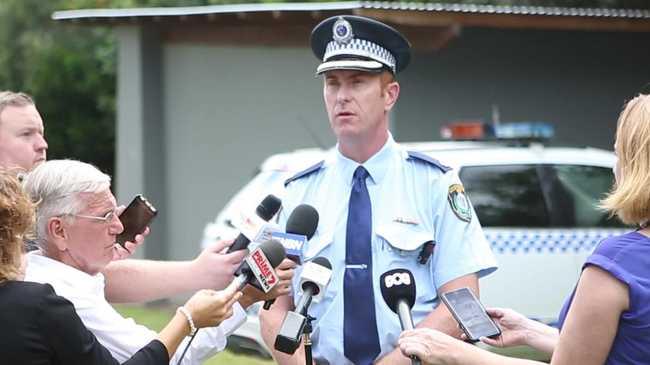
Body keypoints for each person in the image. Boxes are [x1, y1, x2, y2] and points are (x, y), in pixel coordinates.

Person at [259, 15, 497, 365]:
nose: (341, 96)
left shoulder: (434, 183)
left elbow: (461, 303)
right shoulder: (299, 192)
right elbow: (273, 307)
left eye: (357, 82)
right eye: (332, 83)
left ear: (390, 94)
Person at [397, 94, 650, 365]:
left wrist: (456, 354)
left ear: (636, 165)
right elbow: (611, 350)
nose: (615, 166)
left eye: (618, 153)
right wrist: (529, 330)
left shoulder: (617, 263)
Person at [0, 90, 289, 306]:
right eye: (26, 134)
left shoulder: (32, 212)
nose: (42, 144)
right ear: (56, 229)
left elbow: (95, 284)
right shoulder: (13, 227)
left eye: (41, 133)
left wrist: (90, 261)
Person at [20, 159, 288, 364]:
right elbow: (170, 354)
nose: (117, 225)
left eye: (116, 212)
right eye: (104, 217)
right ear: (59, 231)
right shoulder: (64, 294)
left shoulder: (42, 271)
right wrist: (244, 299)